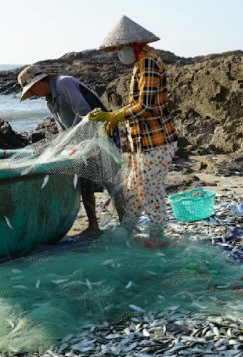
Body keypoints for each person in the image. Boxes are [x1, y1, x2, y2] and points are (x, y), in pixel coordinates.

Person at [89, 16, 177, 248]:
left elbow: (146, 106)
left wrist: (116, 115)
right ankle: (127, 227)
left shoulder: (148, 62)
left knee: (150, 188)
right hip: (142, 143)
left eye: (121, 48)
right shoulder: (141, 62)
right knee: (133, 187)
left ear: (133, 45)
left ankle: (157, 234)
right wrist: (115, 116)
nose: (120, 53)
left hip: (155, 142)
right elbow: (139, 102)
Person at [17, 66, 124, 235]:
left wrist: (70, 138)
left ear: (39, 81)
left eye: (32, 90)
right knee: (84, 181)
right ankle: (93, 226)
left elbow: (84, 112)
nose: (34, 94)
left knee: (112, 180)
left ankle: (126, 222)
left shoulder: (64, 83)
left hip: (103, 135)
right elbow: (63, 131)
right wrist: (64, 147)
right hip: (83, 142)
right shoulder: (49, 101)